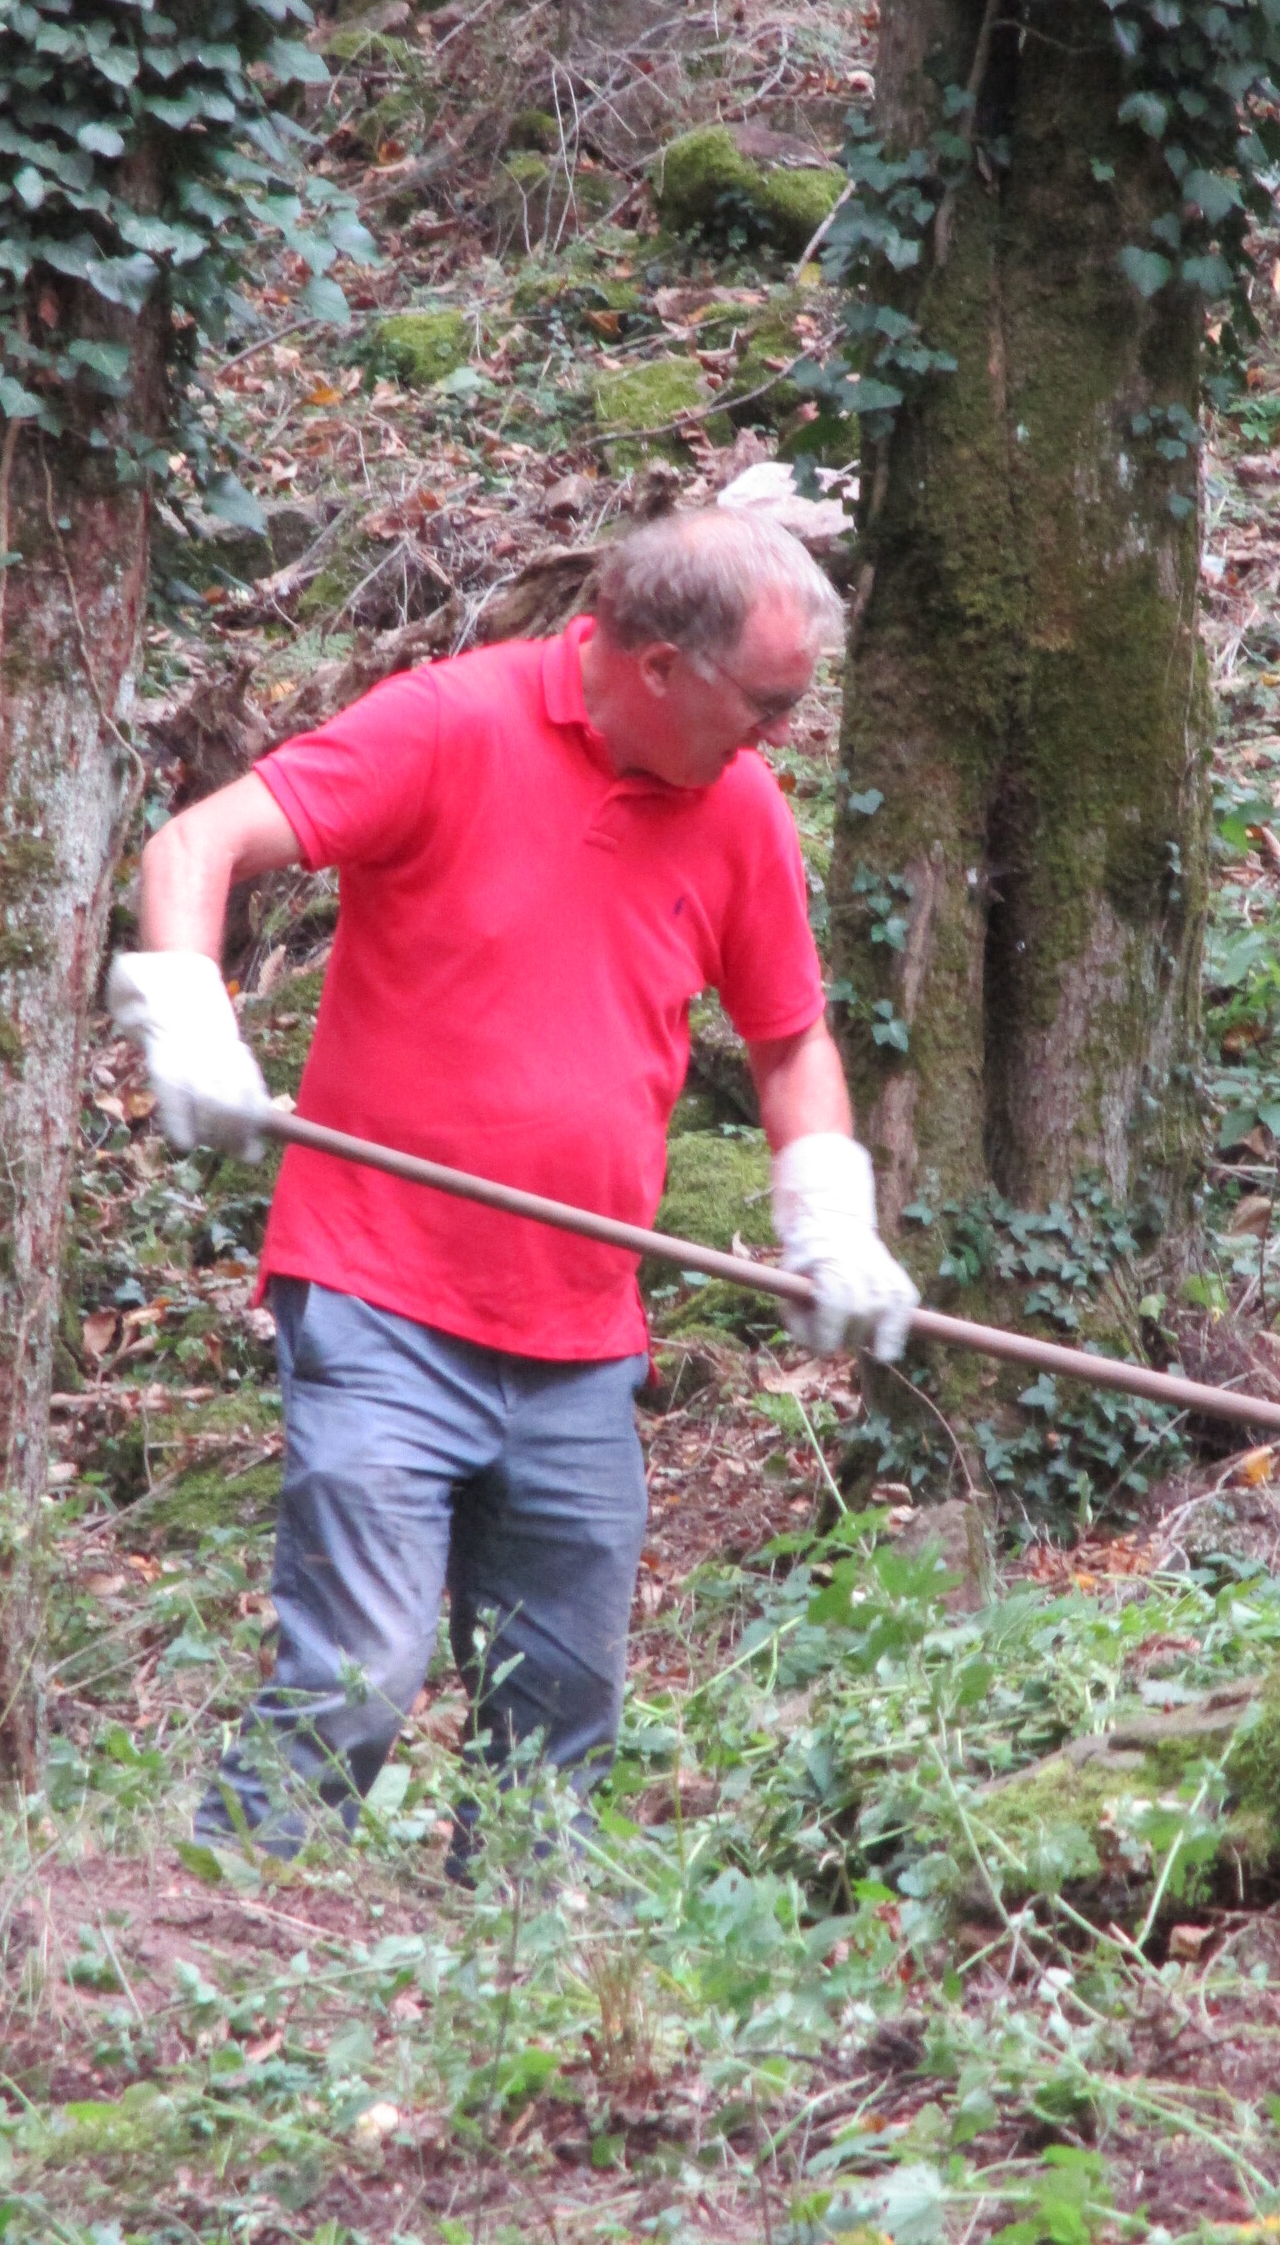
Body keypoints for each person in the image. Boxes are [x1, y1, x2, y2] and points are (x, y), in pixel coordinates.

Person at [107, 507, 918, 1856]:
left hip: (581, 1339)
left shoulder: (740, 809)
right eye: (766, 704)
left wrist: (828, 1213)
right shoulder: (448, 724)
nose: (782, 736)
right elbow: (195, 847)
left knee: (558, 1724)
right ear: (659, 666)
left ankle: (522, 1974)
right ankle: (208, 1921)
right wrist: (189, 1015)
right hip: (377, 1299)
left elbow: (789, 1041)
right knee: (356, 1679)